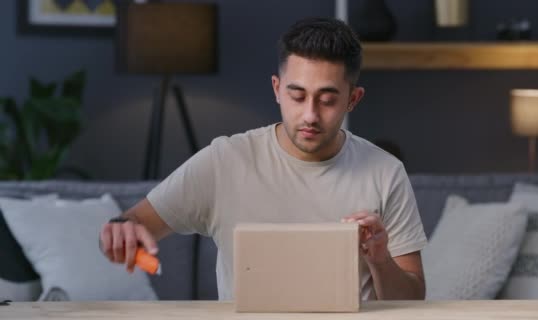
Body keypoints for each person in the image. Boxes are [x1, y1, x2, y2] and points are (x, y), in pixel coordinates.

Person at [99, 17, 427, 301]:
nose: (310, 115)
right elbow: (130, 225)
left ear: (353, 99)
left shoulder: (386, 173)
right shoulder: (224, 161)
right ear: (276, 89)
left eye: (327, 100)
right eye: (297, 96)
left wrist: (381, 260)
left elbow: (412, 300)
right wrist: (119, 232)